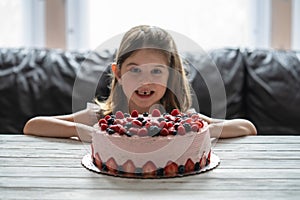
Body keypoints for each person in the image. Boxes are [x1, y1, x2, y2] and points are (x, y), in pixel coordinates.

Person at [23, 25, 257, 142]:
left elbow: (247, 127)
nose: (145, 80)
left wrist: (205, 129)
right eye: (134, 70)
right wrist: (87, 132)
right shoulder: (102, 117)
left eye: (157, 70)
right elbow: (33, 125)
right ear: (118, 74)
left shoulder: (181, 120)